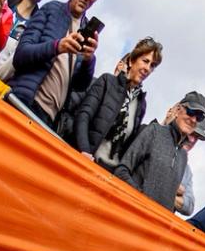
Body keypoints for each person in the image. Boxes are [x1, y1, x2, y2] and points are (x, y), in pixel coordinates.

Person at [8, 0, 109, 124]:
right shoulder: (51, 9)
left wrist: (89, 61)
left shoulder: (86, 29)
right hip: (23, 103)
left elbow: (79, 85)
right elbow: (20, 55)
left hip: (48, 120)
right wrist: (57, 47)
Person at [64, 37, 159, 165]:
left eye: (152, 65)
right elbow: (83, 115)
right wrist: (84, 151)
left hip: (108, 173)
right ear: (131, 61)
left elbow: (128, 145)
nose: (148, 68)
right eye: (145, 61)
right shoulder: (107, 81)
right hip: (85, 159)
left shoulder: (141, 104)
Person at [112, 90, 204, 208]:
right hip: (131, 213)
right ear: (177, 110)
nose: (193, 119)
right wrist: (140, 200)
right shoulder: (154, 131)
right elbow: (121, 170)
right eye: (191, 112)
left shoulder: (183, 157)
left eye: (199, 117)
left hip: (155, 224)